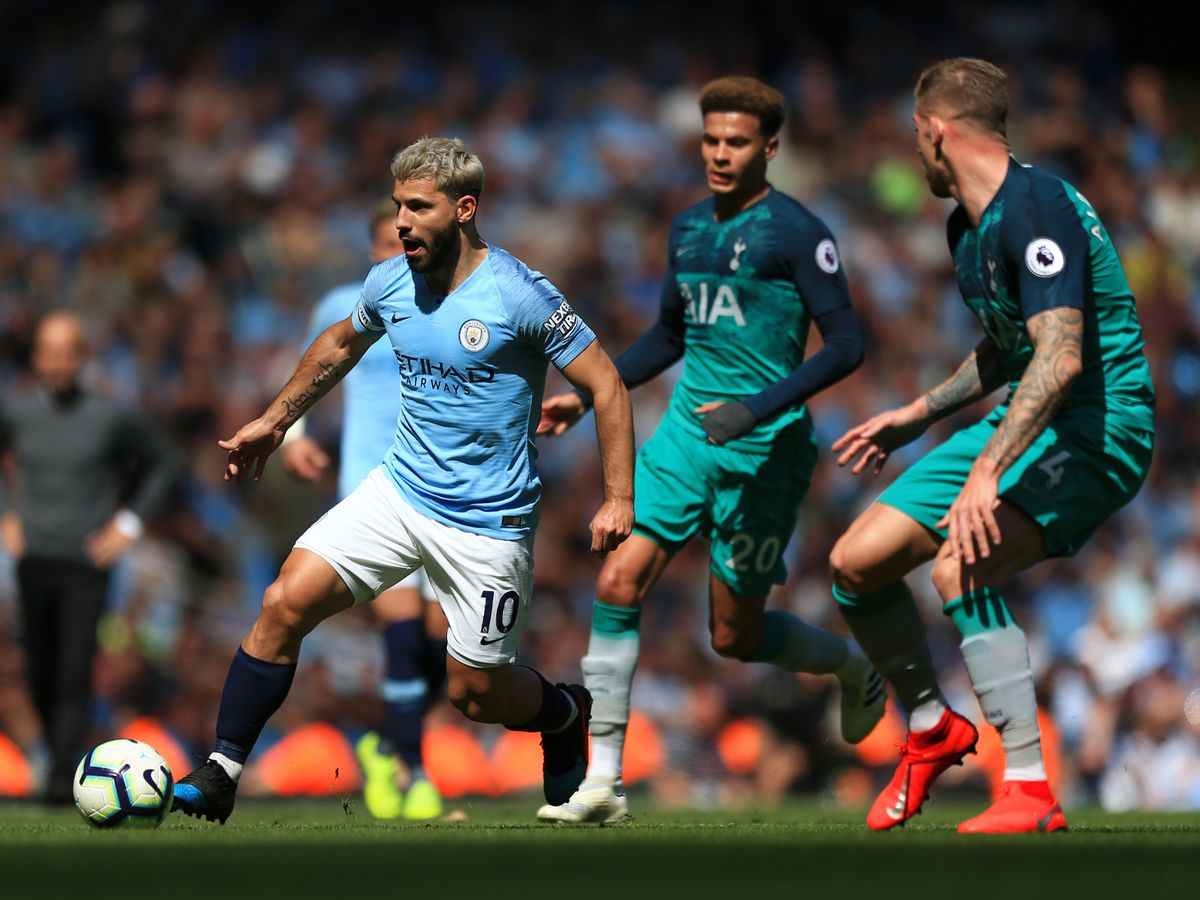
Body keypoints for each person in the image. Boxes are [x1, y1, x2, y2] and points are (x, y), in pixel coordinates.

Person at [170, 136, 635, 824]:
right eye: (398, 207)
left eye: (419, 207)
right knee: (281, 602)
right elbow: (337, 345)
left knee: (475, 695)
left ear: (465, 208)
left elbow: (607, 383)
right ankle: (223, 769)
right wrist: (275, 420)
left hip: (487, 521)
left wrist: (618, 497)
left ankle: (564, 712)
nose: (402, 222)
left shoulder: (519, 293)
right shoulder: (389, 282)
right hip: (398, 491)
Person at [535, 76, 884, 825]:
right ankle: (603, 782)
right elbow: (670, 336)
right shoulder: (688, 228)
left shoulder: (797, 232)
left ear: (770, 148)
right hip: (687, 436)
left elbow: (849, 346)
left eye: (736, 142)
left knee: (735, 635)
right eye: (711, 140)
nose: (720, 154)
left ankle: (854, 668)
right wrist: (594, 390)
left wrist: (755, 407)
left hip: (766, 451)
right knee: (618, 577)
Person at [828, 58, 1155, 834]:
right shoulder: (966, 228)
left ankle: (1031, 788)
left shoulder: (1037, 207)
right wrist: (920, 411)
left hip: (1102, 427)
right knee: (855, 564)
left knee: (958, 562)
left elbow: (1063, 356)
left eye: (916, 135)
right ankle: (932, 725)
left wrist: (985, 469)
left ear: (937, 131)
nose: (915, 153)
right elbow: (1013, 348)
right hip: (1032, 411)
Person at [279, 199, 448, 821]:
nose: (393, 251)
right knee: (401, 635)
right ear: (370, 246)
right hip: (372, 484)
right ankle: (417, 772)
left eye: (402, 241)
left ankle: (384, 742)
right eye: (383, 241)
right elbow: (310, 370)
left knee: (448, 654)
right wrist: (294, 440)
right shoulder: (343, 305)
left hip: (443, 487)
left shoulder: (445, 303)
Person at [0, 312, 178, 804]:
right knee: (39, 667)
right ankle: (56, 756)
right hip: (34, 557)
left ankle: (59, 777)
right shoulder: (16, 413)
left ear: (82, 358)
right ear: (37, 357)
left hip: (87, 563)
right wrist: (6, 513)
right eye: (48, 353)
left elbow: (164, 464)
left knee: (76, 667)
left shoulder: (110, 417)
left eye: (66, 353)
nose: (57, 363)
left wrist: (128, 524)